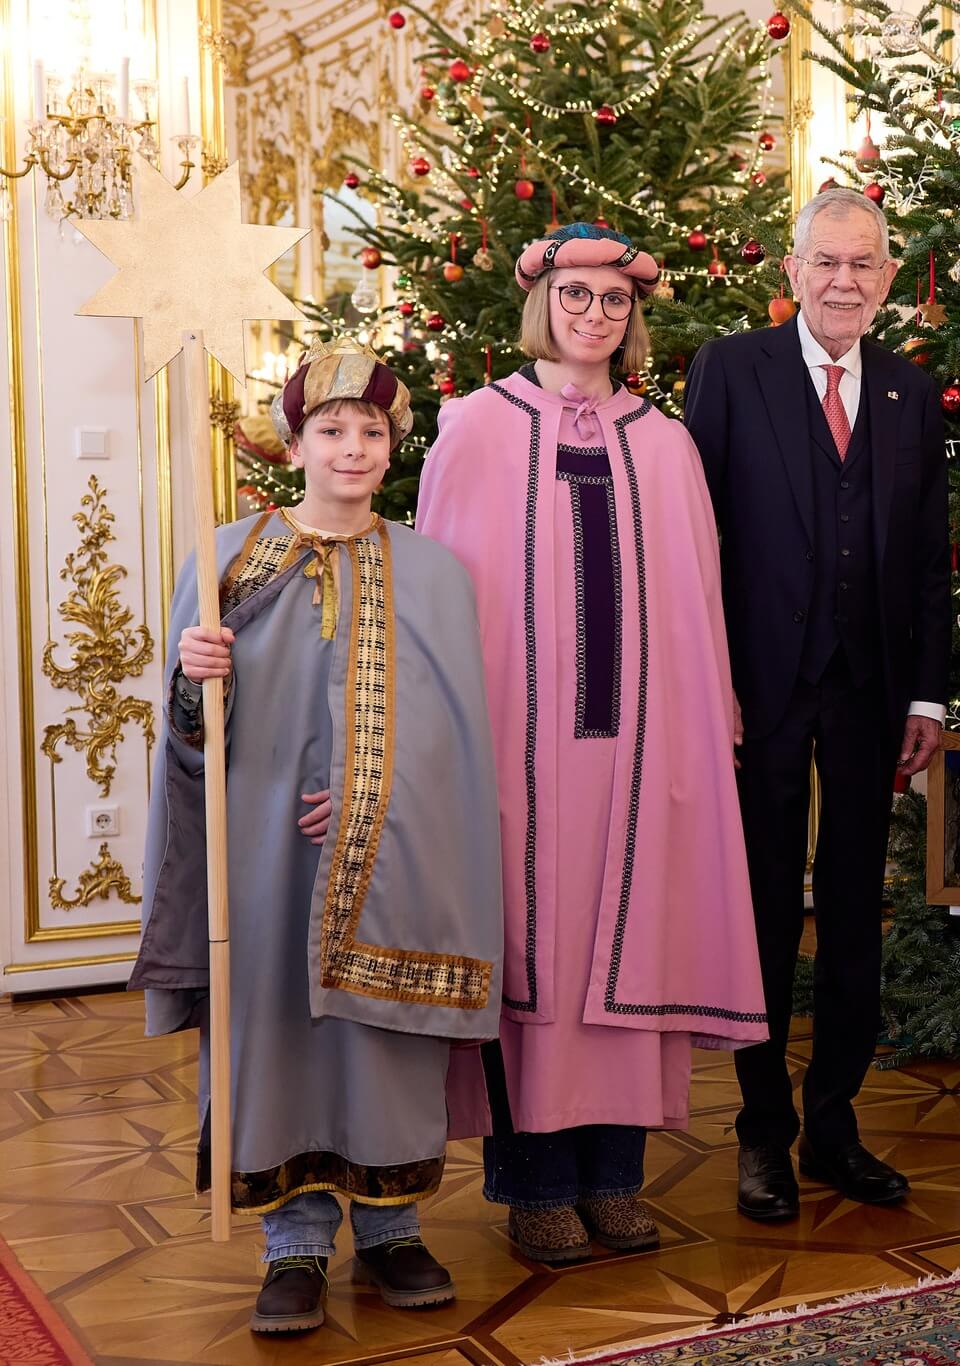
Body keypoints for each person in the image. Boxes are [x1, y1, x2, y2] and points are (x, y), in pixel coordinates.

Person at [135, 343, 503, 1333]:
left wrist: (376, 795)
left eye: (371, 431)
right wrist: (190, 672)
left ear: (395, 445)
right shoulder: (222, 557)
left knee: (381, 1039)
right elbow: (185, 741)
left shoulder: (432, 573)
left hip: (395, 855)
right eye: (331, 430)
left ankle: (393, 1227)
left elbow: (461, 740)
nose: (352, 448)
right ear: (294, 442)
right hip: (261, 850)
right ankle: (291, 1242)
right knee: (274, 1028)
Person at [418, 223, 768, 1265]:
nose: (595, 316)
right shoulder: (474, 427)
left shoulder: (661, 443)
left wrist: (717, 710)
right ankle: (532, 1186)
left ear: (633, 317)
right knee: (534, 950)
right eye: (577, 296)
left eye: (614, 301)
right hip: (514, 748)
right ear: (543, 303)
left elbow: (697, 597)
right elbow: (439, 592)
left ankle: (613, 1176)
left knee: (630, 946)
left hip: (638, 742)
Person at [683, 186, 950, 1221]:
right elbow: (693, 542)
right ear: (791, 270)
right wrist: (712, 684)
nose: (844, 281)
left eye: (864, 264)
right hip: (756, 694)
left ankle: (835, 1121)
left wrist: (927, 691)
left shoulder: (908, 391)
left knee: (851, 914)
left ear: (887, 279)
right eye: (825, 262)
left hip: (871, 691)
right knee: (755, 908)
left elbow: (929, 562)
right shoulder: (728, 370)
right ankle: (761, 1131)